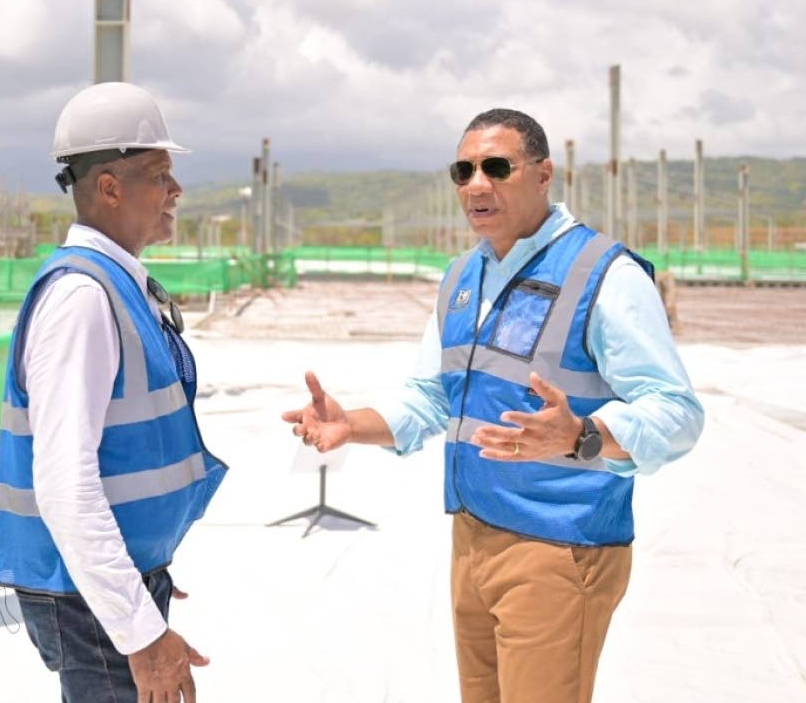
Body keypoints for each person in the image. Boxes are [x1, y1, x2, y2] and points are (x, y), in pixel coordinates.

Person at [283, 108, 704, 703]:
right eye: (463, 170)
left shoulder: (603, 273)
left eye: (496, 167)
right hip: (474, 539)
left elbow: (678, 411)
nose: (476, 184)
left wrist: (582, 434)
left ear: (543, 175)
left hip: (560, 546)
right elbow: (431, 396)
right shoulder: (463, 276)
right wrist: (352, 425)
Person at [0, 82, 228, 703]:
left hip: (104, 584)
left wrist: (139, 566)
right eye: (159, 173)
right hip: (89, 602)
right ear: (109, 187)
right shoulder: (82, 299)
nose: (176, 190)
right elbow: (66, 483)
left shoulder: (113, 286)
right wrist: (137, 626)